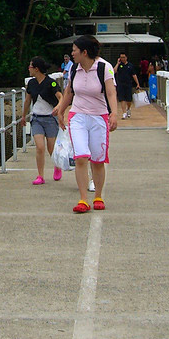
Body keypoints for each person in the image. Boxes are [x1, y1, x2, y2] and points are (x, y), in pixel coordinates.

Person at [53, 35, 118, 213]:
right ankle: (83, 199)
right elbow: (69, 92)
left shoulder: (104, 67)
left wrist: (114, 113)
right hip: (78, 117)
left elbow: (111, 93)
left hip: (99, 117)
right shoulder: (74, 68)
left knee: (97, 160)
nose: (72, 53)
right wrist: (61, 111)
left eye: (75, 50)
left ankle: (98, 196)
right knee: (81, 157)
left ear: (85, 52)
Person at [22, 57, 63, 184]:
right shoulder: (31, 83)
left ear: (36, 69)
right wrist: (23, 116)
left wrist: (58, 107)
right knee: (40, 147)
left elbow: (61, 97)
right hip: (37, 119)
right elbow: (27, 100)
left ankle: (57, 166)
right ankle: (40, 175)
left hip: (50, 119)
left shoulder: (51, 83)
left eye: (30, 66)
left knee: (51, 148)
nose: (28, 69)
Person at [114, 53, 138, 119]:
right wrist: (117, 63)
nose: (122, 59)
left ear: (126, 57)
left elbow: (134, 75)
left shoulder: (130, 65)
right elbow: (114, 71)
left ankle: (128, 109)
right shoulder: (119, 65)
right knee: (122, 99)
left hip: (128, 84)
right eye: (121, 57)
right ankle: (124, 113)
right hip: (120, 84)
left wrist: (137, 83)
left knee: (129, 99)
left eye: (123, 57)